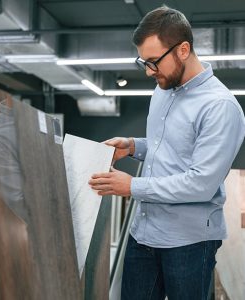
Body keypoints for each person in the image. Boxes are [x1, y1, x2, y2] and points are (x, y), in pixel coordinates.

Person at [88, 5, 245, 300]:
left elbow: (200, 183)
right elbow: (171, 148)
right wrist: (133, 146)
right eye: (143, 62)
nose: (149, 71)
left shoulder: (219, 107)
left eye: (153, 61)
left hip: (189, 243)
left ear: (183, 49)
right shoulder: (162, 91)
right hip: (144, 233)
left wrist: (131, 186)